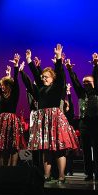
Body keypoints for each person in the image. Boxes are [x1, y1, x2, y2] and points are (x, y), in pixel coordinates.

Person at [23, 44, 78, 183]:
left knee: (59, 149)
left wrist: (59, 57)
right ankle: (46, 175)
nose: (44, 79)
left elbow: (60, 74)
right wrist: (29, 60)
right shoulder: (41, 88)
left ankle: (61, 175)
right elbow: (36, 74)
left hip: (54, 119)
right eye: (43, 77)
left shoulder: (58, 86)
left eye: (47, 77)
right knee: (45, 149)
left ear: (53, 78)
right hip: (43, 119)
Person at [65, 53, 98, 181]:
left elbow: (97, 79)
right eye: (84, 82)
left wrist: (96, 66)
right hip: (84, 123)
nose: (85, 84)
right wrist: (70, 70)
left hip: (96, 121)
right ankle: (89, 173)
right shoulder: (81, 94)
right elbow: (75, 82)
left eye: (88, 82)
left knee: (97, 149)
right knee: (85, 149)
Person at [0, 54, 25, 166]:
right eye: (1, 85)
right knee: (1, 146)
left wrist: (15, 66)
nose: (1, 87)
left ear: (8, 85)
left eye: (3, 85)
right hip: (1, 123)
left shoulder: (14, 95)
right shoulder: (0, 95)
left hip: (11, 122)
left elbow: (16, 85)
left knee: (13, 146)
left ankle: (12, 169)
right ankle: (2, 168)